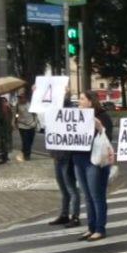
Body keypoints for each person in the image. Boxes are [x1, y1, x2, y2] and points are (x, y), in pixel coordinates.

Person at [73, 90, 113, 242]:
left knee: (97, 195)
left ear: (90, 102)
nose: (79, 101)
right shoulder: (76, 116)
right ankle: (91, 227)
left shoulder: (102, 116)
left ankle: (100, 228)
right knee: (87, 196)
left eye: (82, 99)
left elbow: (107, 138)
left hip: (94, 161)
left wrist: (99, 127)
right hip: (79, 159)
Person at [48, 95, 81, 228]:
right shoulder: (53, 114)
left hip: (67, 157)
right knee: (63, 188)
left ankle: (75, 216)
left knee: (71, 188)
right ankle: (64, 214)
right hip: (57, 156)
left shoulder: (70, 113)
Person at [14, 92, 37, 161]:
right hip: (22, 126)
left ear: (25, 98)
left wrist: (34, 122)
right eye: (19, 98)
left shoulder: (30, 104)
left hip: (31, 125)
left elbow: (35, 114)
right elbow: (16, 115)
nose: (20, 99)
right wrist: (17, 119)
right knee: (25, 141)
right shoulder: (17, 105)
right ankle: (27, 155)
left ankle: (24, 152)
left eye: (21, 97)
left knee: (30, 141)